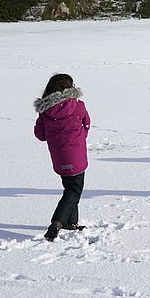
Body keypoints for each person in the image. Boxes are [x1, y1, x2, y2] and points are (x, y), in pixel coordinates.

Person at [34, 73, 91, 241]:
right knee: (74, 190)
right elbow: (86, 123)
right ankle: (57, 222)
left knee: (70, 187)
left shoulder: (45, 112)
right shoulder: (78, 106)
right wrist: (79, 137)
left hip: (59, 157)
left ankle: (70, 223)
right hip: (77, 156)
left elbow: (40, 135)